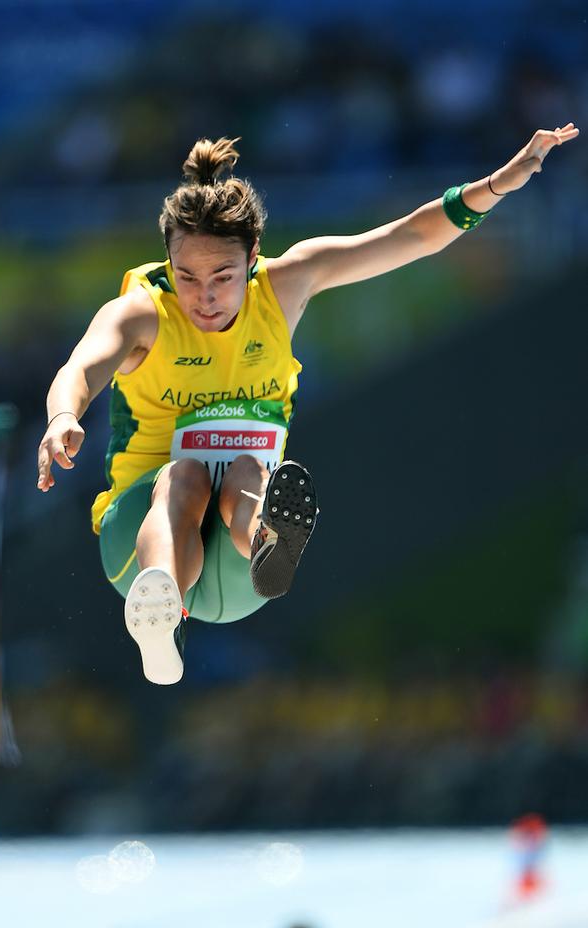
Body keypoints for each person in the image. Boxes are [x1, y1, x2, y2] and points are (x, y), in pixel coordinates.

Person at [37, 125, 579, 685]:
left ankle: (267, 544)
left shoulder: (285, 284)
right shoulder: (140, 313)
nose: (204, 297)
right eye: (187, 277)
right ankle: (160, 617)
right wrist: (62, 417)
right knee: (187, 475)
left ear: (251, 258)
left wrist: (498, 184)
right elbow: (79, 368)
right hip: (141, 542)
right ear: (168, 264)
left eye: (222, 278)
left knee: (248, 469)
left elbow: (411, 237)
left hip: (235, 567)